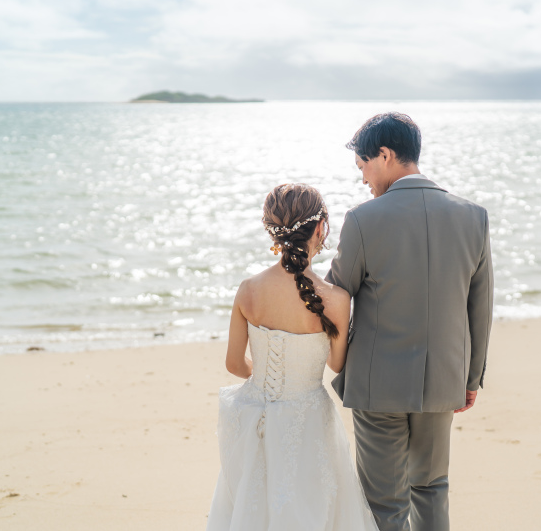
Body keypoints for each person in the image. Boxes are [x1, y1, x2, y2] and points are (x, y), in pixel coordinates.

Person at [326, 112, 494, 531]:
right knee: (432, 487)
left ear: (385, 155)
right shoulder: (474, 217)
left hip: (376, 385)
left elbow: (335, 296)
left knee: (384, 504)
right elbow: (481, 307)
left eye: (363, 165)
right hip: (443, 381)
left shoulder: (363, 219)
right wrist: (470, 379)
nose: (363, 178)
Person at [206, 183, 379, 530]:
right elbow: (336, 364)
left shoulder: (248, 290)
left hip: (254, 415)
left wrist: (269, 378)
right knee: (310, 509)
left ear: (271, 230)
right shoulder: (336, 299)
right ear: (320, 229)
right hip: (307, 419)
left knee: (251, 507)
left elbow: (234, 365)